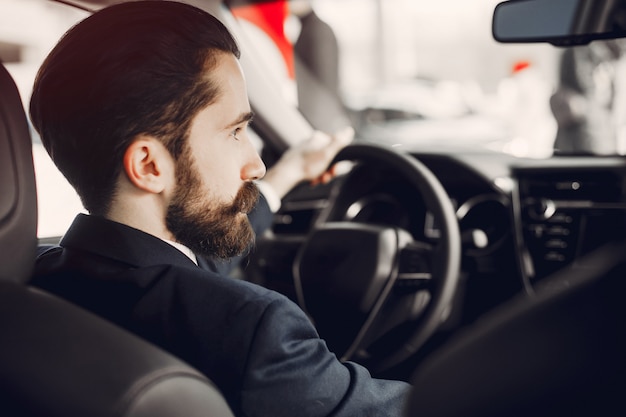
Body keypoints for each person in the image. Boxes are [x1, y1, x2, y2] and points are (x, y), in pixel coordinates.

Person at [29, 2, 411, 417]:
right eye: (235, 132)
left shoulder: (33, 279)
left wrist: (290, 174)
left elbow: (187, 273)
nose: (257, 165)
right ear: (149, 165)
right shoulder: (255, 331)